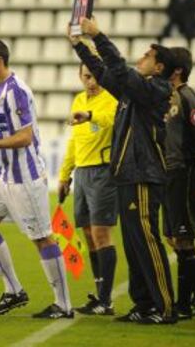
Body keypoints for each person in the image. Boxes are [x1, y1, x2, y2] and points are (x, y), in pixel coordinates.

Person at [68, 18, 177, 324]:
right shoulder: (136, 92)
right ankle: (144, 305)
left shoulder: (155, 89)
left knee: (147, 241)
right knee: (133, 245)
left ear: (159, 68)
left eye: (147, 56)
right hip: (128, 175)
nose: (141, 58)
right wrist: (79, 46)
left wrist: (98, 36)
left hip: (144, 175)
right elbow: (105, 72)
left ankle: (164, 307)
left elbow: (118, 69)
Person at [0, 39, 73, 319]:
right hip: (2, 177)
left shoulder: (18, 91)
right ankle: (14, 291)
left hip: (26, 178)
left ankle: (63, 305)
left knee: (43, 238)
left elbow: (26, 137)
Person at [58, 63, 118, 315]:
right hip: (82, 172)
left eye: (93, 77)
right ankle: (99, 295)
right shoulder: (78, 99)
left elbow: (111, 120)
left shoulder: (112, 98)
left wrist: (90, 116)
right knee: (88, 235)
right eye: (85, 77)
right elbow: (74, 140)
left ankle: (107, 300)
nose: (89, 81)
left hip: (103, 171)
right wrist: (64, 175)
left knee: (101, 233)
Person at [163, 47, 195, 319]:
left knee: (183, 237)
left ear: (176, 70)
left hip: (184, 173)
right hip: (167, 173)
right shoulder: (166, 96)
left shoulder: (189, 97)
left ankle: (185, 305)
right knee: (172, 235)